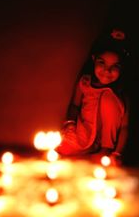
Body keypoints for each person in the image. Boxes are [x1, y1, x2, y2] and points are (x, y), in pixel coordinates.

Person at [56, 28, 131, 166]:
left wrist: (118, 153)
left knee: (108, 98)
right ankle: (88, 149)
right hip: (85, 132)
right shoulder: (85, 82)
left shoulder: (120, 93)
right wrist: (70, 125)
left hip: (105, 139)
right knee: (64, 147)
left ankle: (105, 150)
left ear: (123, 67)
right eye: (102, 63)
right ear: (94, 59)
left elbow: (125, 127)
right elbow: (74, 106)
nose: (107, 71)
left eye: (115, 66)